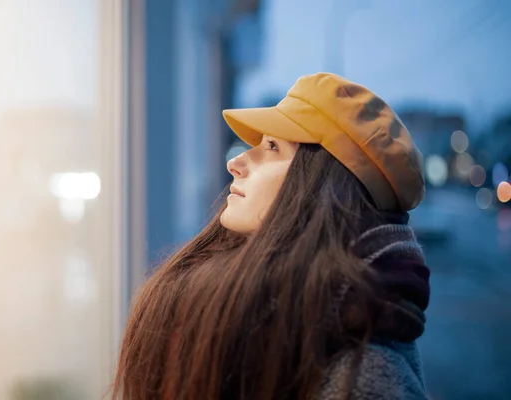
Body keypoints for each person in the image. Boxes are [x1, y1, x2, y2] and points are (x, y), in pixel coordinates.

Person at [112, 73, 431, 400]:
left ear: (326, 188)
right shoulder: (249, 297)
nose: (236, 162)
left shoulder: (367, 375)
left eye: (273, 147)